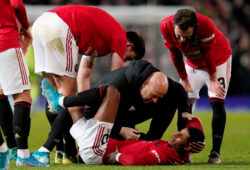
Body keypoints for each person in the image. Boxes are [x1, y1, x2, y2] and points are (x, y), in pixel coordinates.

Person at [31, 5, 145, 164]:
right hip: (61, 26)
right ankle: (62, 152)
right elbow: (115, 79)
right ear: (130, 47)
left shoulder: (98, 38)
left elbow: (84, 73)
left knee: (56, 91)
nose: (127, 61)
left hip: (40, 25)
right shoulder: (120, 38)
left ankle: (61, 151)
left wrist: (84, 102)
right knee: (68, 94)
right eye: (130, 58)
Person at [42, 60, 204, 165]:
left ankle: (60, 105)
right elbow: (89, 115)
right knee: (85, 104)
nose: (156, 100)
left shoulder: (160, 150)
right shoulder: (120, 83)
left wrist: (186, 116)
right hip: (99, 138)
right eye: (154, 95)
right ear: (145, 83)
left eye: (180, 136)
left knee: (79, 107)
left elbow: (182, 94)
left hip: (97, 146)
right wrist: (119, 130)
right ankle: (60, 108)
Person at [160, 8, 232, 164]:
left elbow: (208, 54)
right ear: (174, 25)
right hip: (192, 65)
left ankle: (215, 153)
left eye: (186, 37)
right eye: (178, 35)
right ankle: (184, 153)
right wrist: (184, 80)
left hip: (218, 61)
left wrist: (213, 80)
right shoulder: (165, 26)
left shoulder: (206, 25)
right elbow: (175, 54)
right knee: (184, 103)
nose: (181, 41)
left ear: (195, 27)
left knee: (217, 101)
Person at [0, 0, 48, 168]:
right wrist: (26, 27)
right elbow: (16, 4)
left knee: (0, 95)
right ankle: (23, 155)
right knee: (22, 95)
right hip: (5, 42)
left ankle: (4, 148)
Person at [105, 115, 205, 165]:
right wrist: (202, 142)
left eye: (180, 136)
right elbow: (195, 122)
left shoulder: (161, 154)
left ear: (187, 147)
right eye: (179, 132)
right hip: (113, 141)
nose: (175, 135)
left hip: (106, 149)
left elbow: (135, 162)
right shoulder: (183, 150)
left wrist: (118, 156)